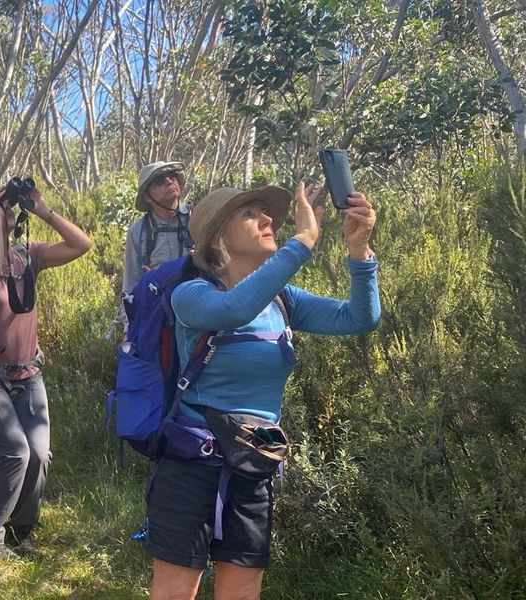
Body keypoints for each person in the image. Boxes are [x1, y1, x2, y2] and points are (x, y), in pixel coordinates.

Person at [146, 183, 379, 600]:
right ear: (218, 237)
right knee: (175, 592)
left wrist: (359, 253)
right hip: (191, 465)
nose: (268, 219)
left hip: (255, 465)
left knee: (242, 593)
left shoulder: (282, 300)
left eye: (265, 212)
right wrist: (303, 242)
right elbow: (233, 310)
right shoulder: (191, 295)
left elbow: (359, 318)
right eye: (250, 214)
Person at [0, 187, 92, 559]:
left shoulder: (27, 255)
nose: (6, 210)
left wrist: (44, 210)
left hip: (28, 373)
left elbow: (81, 244)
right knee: (15, 454)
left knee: (39, 454)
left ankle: (20, 533)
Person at [122, 161, 194, 296]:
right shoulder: (138, 231)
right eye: (159, 181)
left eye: (172, 176)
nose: (169, 181)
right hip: (159, 310)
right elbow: (131, 284)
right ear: (147, 196)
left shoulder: (197, 217)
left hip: (198, 305)